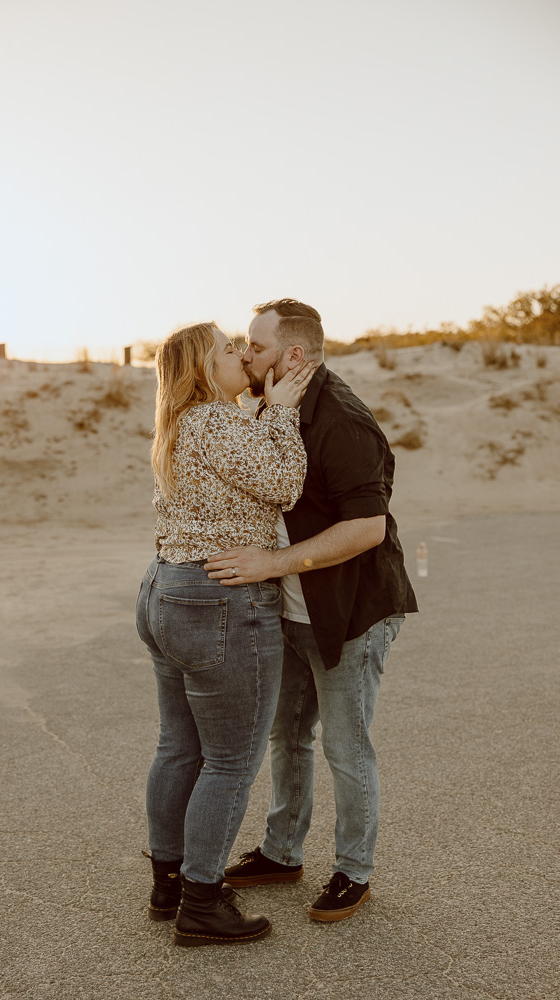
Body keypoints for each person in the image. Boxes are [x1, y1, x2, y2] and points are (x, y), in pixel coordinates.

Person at [204, 299, 418, 922]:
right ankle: (282, 852)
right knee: (288, 735)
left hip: (350, 610)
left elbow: (367, 529)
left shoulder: (344, 422)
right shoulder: (276, 402)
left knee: (346, 748)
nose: (246, 355)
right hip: (291, 608)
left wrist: (269, 565)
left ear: (293, 355)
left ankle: (354, 870)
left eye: (257, 346)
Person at [136, 321, 314, 946]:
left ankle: (168, 883)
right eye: (228, 349)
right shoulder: (216, 421)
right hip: (220, 601)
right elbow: (285, 485)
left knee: (178, 748)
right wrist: (282, 411)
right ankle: (203, 903)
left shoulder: (183, 423)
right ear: (204, 369)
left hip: (166, 590)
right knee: (231, 759)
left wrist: (260, 414)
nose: (242, 354)